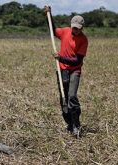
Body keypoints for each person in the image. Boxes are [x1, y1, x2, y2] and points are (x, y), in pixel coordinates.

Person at [44, 6, 88, 136]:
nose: (75, 30)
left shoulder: (83, 40)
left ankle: (76, 124)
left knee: (72, 96)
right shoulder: (65, 32)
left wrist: (61, 58)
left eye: (78, 29)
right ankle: (69, 124)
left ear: (82, 28)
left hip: (74, 70)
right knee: (63, 97)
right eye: (74, 27)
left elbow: (77, 61)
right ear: (71, 26)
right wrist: (49, 14)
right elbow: (52, 29)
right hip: (62, 70)